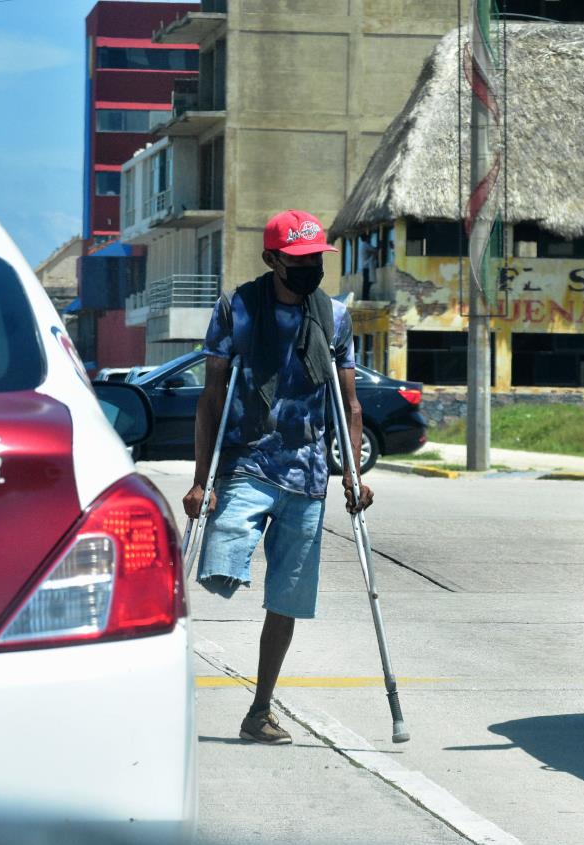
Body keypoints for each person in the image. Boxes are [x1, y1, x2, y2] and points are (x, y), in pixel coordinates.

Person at [183, 209, 374, 745]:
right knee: (218, 571)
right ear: (271, 260)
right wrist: (203, 480)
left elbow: (350, 404)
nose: (310, 267)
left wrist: (353, 476)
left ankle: (259, 709)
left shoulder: (333, 316)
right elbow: (212, 396)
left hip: (309, 476)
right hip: (248, 461)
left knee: (285, 602)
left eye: (316, 258)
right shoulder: (237, 308)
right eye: (299, 260)